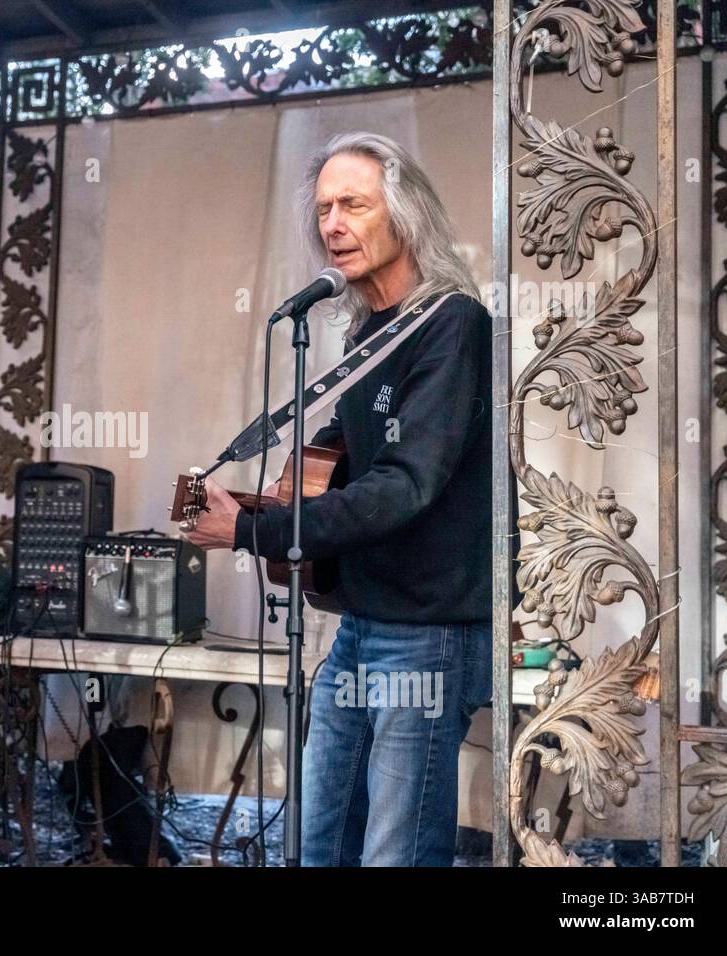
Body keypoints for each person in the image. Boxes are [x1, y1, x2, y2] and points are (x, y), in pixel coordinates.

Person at [184, 132, 504, 866]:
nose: (333, 224)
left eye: (353, 204)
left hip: (429, 632)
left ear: (405, 213)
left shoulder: (452, 324)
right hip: (359, 624)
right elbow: (342, 450)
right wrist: (271, 499)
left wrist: (253, 533)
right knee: (315, 838)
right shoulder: (371, 333)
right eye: (325, 208)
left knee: (395, 850)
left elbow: (405, 485)